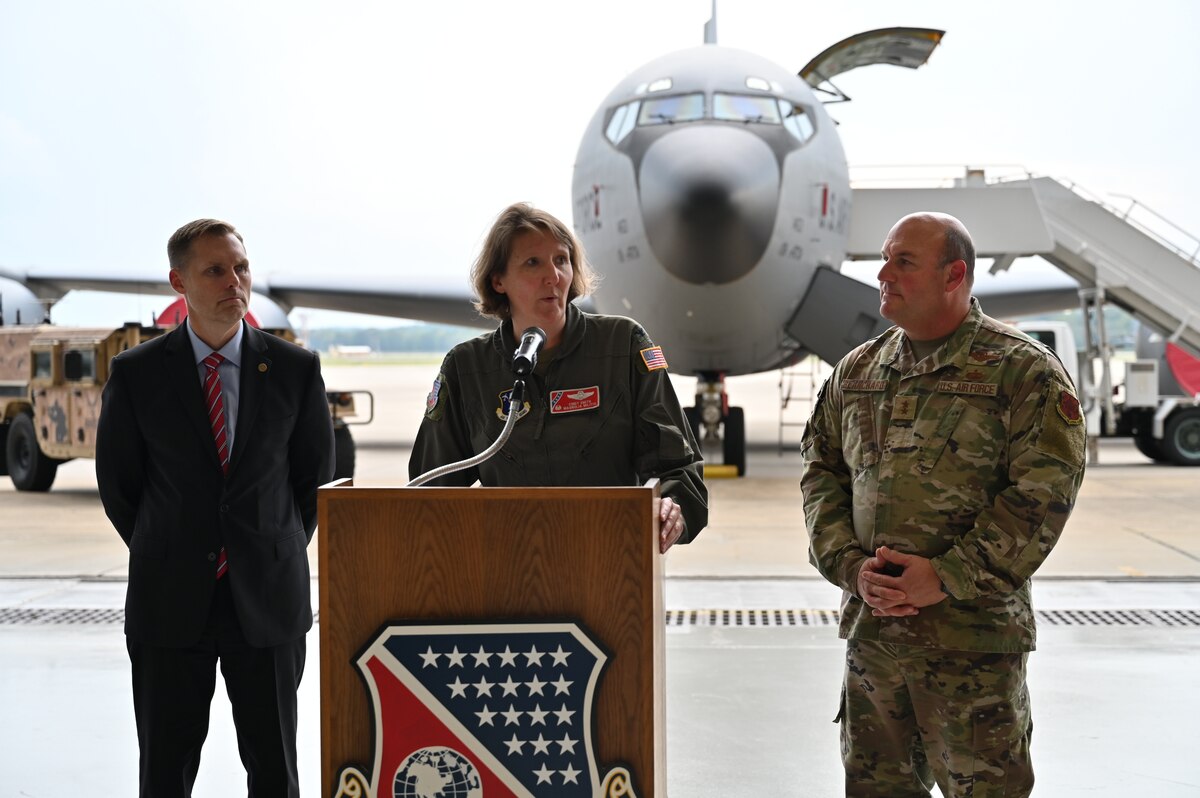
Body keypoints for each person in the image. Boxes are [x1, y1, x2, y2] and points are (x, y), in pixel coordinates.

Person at [800, 212, 1086, 797]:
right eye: (885, 258)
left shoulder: (1021, 371)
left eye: (903, 261)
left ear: (955, 274)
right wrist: (850, 568)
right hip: (875, 641)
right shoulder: (857, 372)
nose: (883, 273)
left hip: (972, 645)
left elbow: (1044, 494)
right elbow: (820, 474)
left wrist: (948, 576)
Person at [96, 219, 335, 797]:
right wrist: (179, 550)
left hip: (268, 603)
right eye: (215, 270)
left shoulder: (295, 371)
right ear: (179, 281)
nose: (235, 281)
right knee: (164, 770)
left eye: (241, 267)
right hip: (170, 601)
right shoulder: (136, 375)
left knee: (275, 768)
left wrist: (263, 548)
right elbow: (119, 486)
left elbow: (312, 482)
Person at [409, 202, 706, 551]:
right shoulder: (467, 368)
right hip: (505, 570)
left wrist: (671, 508)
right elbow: (429, 490)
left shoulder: (623, 345)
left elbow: (681, 471)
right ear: (498, 280)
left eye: (561, 260)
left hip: (610, 563)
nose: (553, 276)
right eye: (533, 263)